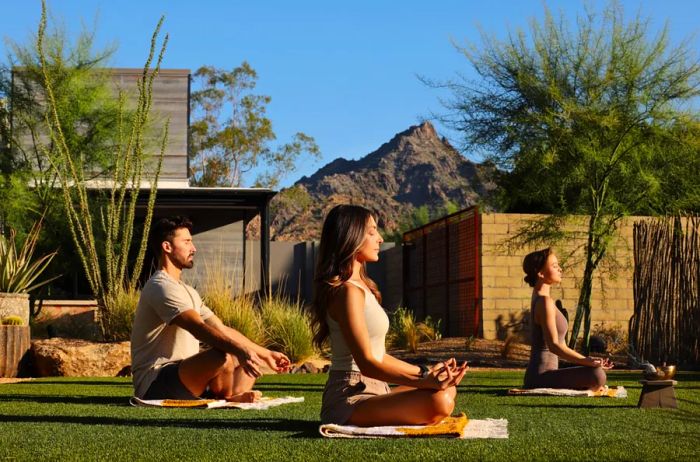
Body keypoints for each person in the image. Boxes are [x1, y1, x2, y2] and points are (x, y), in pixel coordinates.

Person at [311, 204, 468, 426]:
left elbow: (379, 356)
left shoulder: (363, 287)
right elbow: (367, 363)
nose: (381, 238)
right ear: (351, 236)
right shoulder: (347, 292)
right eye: (372, 231)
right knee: (440, 401)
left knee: (447, 387)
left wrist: (427, 372)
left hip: (378, 388)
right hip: (350, 396)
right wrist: (423, 379)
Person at [131, 216, 290, 401]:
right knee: (222, 355)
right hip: (156, 382)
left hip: (185, 374)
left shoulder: (188, 291)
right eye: (187, 242)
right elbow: (198, 328)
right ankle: (228, 396)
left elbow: (221, 329)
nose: (194, 248)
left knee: (247, 355)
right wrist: (239, 351)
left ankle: (233, 396)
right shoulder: (161, 287)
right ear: (167, 247)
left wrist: (265, 354)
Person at [522, 248, 612, 391]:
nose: (560, 269)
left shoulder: (543, 299)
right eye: (554, 266)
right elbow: (554, 346)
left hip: (549, 373)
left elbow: (562, 346)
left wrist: (588, 362)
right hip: (540, 377)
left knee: (595, 371)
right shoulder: (543, 302)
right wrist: (586, 361)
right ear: (540, 273)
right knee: (597, 375)